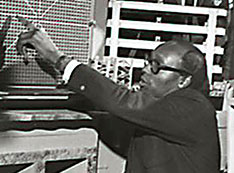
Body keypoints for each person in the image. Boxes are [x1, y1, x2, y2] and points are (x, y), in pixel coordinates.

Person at [16, 19, 220, 173]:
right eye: (147, 62)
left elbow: (125, 102)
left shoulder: (195, 107)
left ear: (183, 81)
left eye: (156, 66)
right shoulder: (163, 110)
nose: (145, 70)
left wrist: (56, 57)